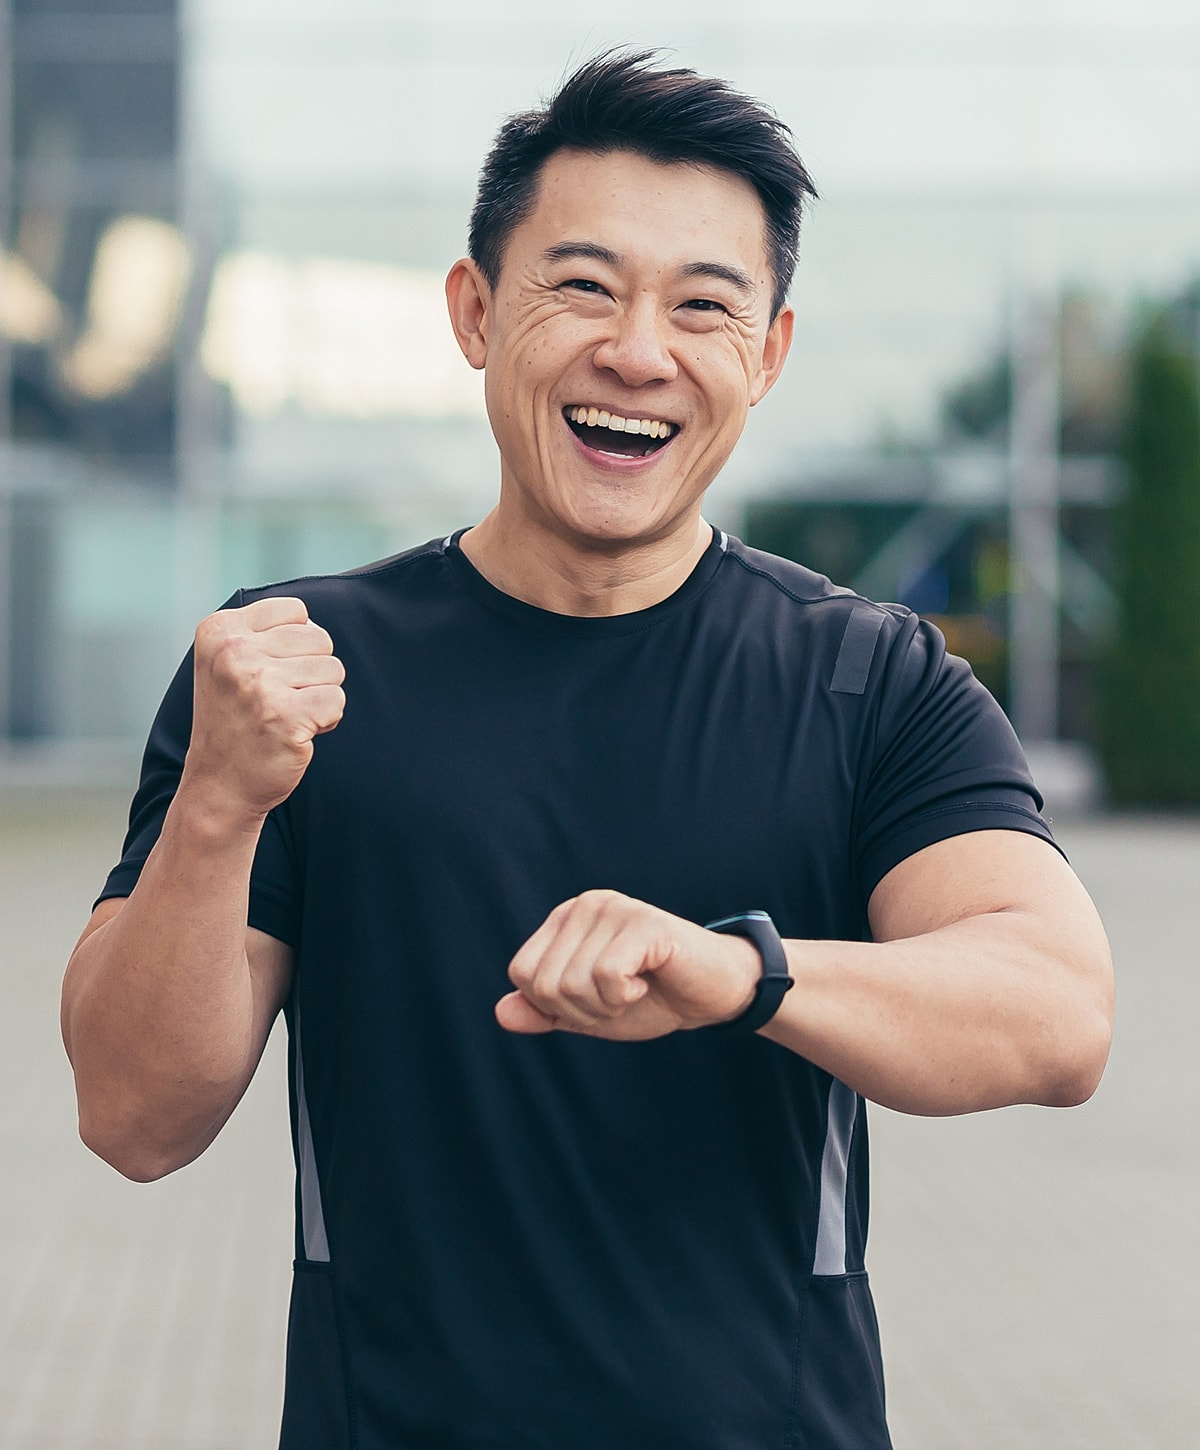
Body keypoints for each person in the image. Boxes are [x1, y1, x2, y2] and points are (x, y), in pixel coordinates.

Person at [61, 50, 1114, 1450]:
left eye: (703, 305)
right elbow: (134, 1115)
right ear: (476, 311)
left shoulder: (868, 679)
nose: (639, 349)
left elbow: (1057, 1009)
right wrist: (215, 806)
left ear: (769, 356)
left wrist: (740, 970)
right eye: (585, 285)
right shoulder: (290, 672)